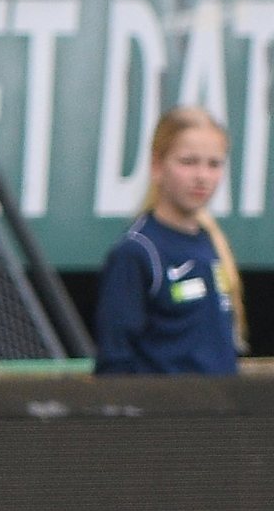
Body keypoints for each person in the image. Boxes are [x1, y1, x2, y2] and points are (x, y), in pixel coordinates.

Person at [94, 105, 247, 374]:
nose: (202, 176)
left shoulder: (212, 244)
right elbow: (114, 364)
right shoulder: (137, 252)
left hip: (223, 413)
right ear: (157, 166)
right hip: (168, 414)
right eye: (188, 162)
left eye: (214, 164)